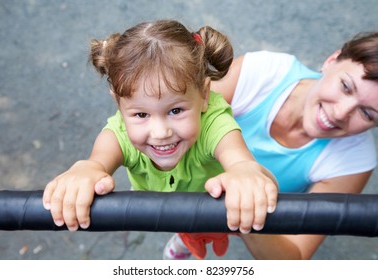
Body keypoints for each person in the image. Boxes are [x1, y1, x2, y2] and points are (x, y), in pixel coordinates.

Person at [42, 20, 278, 259]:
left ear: (204, 95)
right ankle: (183, 239)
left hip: (215, 208)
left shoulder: (214, 122)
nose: (160, 132)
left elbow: (239, 160)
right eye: (141, 114)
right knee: (186, 230)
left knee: (235, 218)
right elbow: (96, 162)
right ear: (119, 105)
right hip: (172, 209)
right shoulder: (119, 132)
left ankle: (189, 239)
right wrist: (85, 171)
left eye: (175, 111)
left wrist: (244, 172)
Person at [207, 31, 378, 259]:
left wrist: (247, 208)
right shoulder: (261, 72)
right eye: (346, 86)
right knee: (183, 228)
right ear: (331, 61)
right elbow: (178, 119)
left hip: (242, 215)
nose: (339, 113)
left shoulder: (355, 159)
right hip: (186, 179)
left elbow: (294, 257)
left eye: (367, 113)